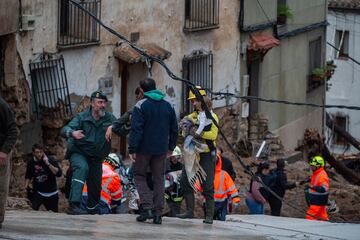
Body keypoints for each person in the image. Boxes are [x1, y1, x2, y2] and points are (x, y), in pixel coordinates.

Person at [61, 90, 120, 215]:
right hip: (79, 153)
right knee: (82, 168)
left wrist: (113, 127)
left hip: (96, 157)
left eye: (104, 102)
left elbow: (120, 127)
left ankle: (93, 208)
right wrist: (72, 133)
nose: (103, 105)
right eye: (99, 102)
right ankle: (74, 205)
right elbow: (65, 129)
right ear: (92, 104)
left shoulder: (109, 118)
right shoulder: (82, 117)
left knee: (95, 182)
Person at [129, 78, 178, 224]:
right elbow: (174, 129)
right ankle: (158, 214)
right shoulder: (168, 105)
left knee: (139, 175)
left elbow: (136, 130)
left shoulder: (140, 105)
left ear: (142, 90)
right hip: (161, 149)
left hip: (144, 149)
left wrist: (132, 148)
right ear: (155, 88)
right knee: (158, 178)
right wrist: (171, 147)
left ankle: (147, 208)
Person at [177, 86, 219, 224]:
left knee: (207, 186)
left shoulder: (212, 117)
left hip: (206, 154)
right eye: (192, 100)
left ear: (202, 100)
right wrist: (183, 128)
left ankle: (209, 216)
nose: (193, 103)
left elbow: (213, 135)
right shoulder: (193, 116)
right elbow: (183, 127)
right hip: (192, 153)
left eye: (195, 100)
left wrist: (196, 132)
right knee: (184, 181)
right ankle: (189, 212)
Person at [25, 144, 62, 212]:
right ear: (33, 153)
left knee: (54, 215)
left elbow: (58, 173)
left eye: (41, 152)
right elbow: (28, 175)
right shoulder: (30, 162)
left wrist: (48, 163)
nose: (39, 154)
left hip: (52, 193)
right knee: (32, 211)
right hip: (38, 193)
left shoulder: (51, 159)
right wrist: (25, 186)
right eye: (37, 152)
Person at [0, 96, 18, 228]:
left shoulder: (2, 105)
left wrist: (4, 151)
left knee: (1, 187)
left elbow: (13, 131)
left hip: (2, 150)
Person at [213, 152, 240, 221]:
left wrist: (235, 199)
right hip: (210, 202)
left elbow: (231, 187)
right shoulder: (207, 173)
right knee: (211, 221)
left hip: (222, 203)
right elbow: (199, 185)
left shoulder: (224, 174)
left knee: (222, 221)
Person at [305, 155, 329, 221]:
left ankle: (311, 230)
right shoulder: (316, 173)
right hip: (319, 200)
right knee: (322, 217)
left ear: (318, 166)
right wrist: (307, 180)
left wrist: (311, 187)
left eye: (313, 166)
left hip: (318, 201)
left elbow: (324, 188)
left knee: (309, 216)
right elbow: (315, 180)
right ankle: (325, 229)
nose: (311, 167)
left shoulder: (322, 175)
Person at [165, 146, 184, 217]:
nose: (175, 159)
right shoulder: (165, 167)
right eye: (173, 157)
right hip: (167, 195)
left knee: (176, 212)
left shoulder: (182, 167)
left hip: (179, 195)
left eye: (177, 157)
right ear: (170, 157)